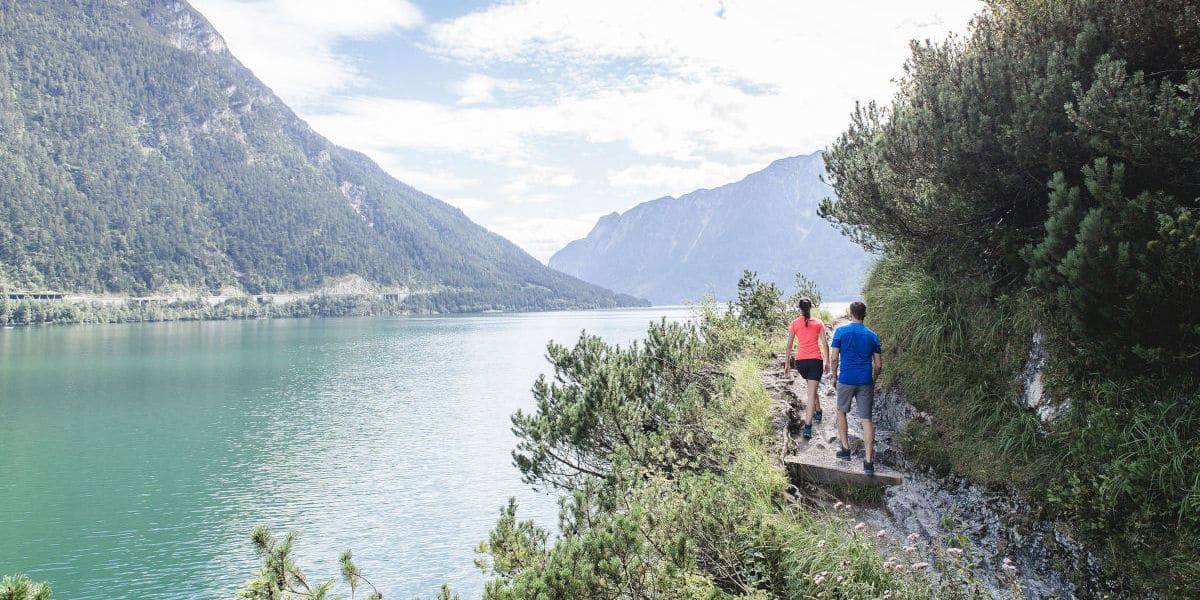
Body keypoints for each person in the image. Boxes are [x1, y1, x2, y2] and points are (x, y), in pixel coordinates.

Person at [829, 301, 883, 475]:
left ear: (851, 313)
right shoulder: (872, 335)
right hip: (865, 380)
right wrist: (873, 379)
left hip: (846, 378)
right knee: (866, 419)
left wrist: (834, 376)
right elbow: (879, 365)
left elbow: (835, 358)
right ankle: (868, 462)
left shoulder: (841, 332)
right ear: (864, 314)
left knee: (841, 411)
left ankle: (845, 450)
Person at [784, 297, 830, 440]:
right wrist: (827, 361)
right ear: (811, 307)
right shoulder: (818, 323)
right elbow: (825, 344)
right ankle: (808, 426)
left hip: (801, 362)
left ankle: (818, 410)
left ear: (799, 308)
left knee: (811, 387)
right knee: (811, 393)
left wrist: (787, 364)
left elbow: (789, 345)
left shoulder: (794, 324)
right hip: (815, 361)